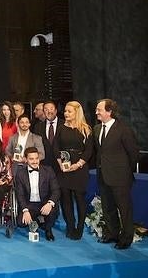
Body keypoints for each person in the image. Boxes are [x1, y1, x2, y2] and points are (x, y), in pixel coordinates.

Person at [93, 99, 139, 249]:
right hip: (103, 176)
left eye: (99, 110)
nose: (96, 112)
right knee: (108, 207)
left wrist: (125, 171)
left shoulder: (123, 130)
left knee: (124, 209)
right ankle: (112, 234)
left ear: (109, 111)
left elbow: (133, 154)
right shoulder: (97, 129)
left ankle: (126, 239)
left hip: (121, 177)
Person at [53, 101, 93, 240]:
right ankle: (70, 226)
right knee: (65, 199)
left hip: (79, 168)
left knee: (79, 198)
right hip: (63, 167)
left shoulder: (85, 129)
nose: (66, 113)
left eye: (69, 111)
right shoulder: (60, 128)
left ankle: (80, 227)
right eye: (65, 111)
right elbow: (55, 147)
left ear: (77, 112)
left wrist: (79, 164)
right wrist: (60, 163)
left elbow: (89, 150)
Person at [14, 147, 60, 242]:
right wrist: (25, 210)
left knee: (52, 214)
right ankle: (39, 220)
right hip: (29, 204)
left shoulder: (48, 170)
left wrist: (50, 203)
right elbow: (20, 194)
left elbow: (56, 190)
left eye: (36, 158)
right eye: (31, 159)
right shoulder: (20, 173)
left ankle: (48, 230)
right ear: (26, 160)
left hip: (44, 203)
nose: (35, 161)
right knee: (20, 223)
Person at [34, 101, 62, 174]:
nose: (49, 111)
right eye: (46, 109)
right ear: (43, 112)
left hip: (61, 166)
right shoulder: (38, 127)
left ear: (56, 111)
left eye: (51, 109)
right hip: (44, 166)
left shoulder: (64, 125)